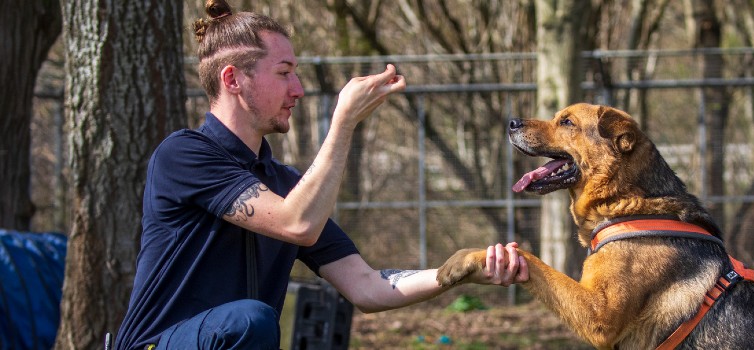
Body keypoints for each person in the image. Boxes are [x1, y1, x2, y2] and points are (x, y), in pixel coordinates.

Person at [113, 1, 528, 349]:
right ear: (233, 79)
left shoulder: (286, 186)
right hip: (156, 343)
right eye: (283, 73)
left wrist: (459, 269)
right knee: (249, 320)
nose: (298, 89)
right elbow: (297, 223)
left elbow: (368, 287)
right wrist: (343, 124)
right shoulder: (182, 155)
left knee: (250, 321)